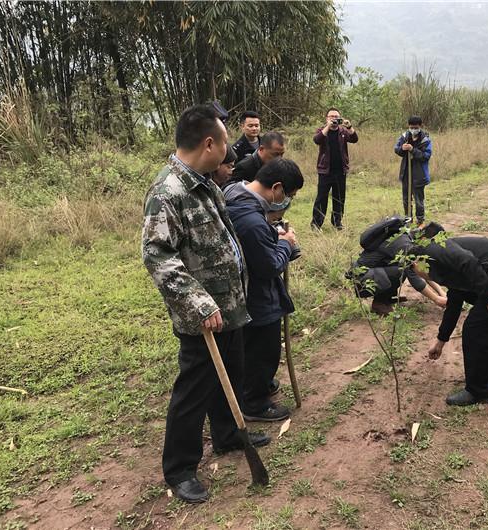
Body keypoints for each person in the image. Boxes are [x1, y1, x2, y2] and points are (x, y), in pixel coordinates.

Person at [142, 103, 269, 504]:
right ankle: (180, 468)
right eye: (226, 142)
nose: (229, 150)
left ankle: (229, 435)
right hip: (202, 313)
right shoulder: (167, 193)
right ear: (209, 143)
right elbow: (157, 256)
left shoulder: (204, 182)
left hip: (228, 304)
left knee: (229, 372)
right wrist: (198, 303)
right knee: (194, 387)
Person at [415, 226, 488, 406]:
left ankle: (477, 391)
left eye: (416, 268)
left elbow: (469, 262)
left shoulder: (438, 251)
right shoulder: (445, 266)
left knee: (476, 329)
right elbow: (454, 302)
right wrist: (441, 340)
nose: (423, 276)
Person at [223, 159, 304, 421]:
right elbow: (269, 266)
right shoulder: (250, 221)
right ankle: (254, 403)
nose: (286, 202)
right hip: (257, 296)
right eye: (288, 196)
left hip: (242, 291)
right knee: (263, 349)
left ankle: (259, 385)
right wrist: (286, 244)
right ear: (276, 188)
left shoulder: (234, 190)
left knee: (251, 347)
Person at [348, 218, 447, 315]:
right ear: (425, 239)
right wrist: (436, 299)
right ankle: (380, 303)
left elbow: (422, 269)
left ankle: (387, 297)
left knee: (402, 267)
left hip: (370, 272)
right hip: (361, 277)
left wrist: (441, 292)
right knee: (402, 270)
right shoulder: (404, 244)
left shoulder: (409, 235)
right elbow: (414, 277)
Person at [311, 108, 358, 231]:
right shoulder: (322, 130)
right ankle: (316, 224)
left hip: (340, 170)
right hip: (325, 171)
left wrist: (349, 127)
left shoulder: (343, 131)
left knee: (339, 198)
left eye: (336, 116)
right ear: (326, 118)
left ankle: (337, 222)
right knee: (322, 197)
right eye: (331, 116)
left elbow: (354, 139)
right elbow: (317, 140)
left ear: (340, 118)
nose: (333, 118)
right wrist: (328, 127)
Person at [394, 116, 432, 225]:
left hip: (419, 175)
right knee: (406, 199)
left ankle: (420, 221)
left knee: (419, 200)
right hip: (406, 173)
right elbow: (396, 149)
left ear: (420, 126)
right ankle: (408, 220)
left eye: (415, 127)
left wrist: (413, 150)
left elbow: (426, 156)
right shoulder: (404, 136)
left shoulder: (425, 140)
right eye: (411, 127)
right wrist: (402, 148)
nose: (413, 129)